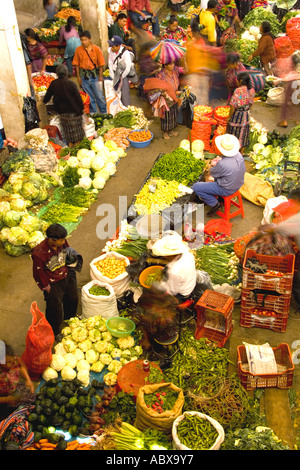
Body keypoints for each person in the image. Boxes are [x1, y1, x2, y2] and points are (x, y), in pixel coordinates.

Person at [31, 223, 82, 336]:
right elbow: (38, 273)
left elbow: (68, 252)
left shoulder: (62, 244)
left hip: (67, 275)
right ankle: (55, 331)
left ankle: (70, 319)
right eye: (61, 240)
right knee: (55, 309)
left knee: (72, 298)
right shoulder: (39, 253)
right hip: (53, 283)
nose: (63, 242)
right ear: (52, 240)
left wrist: (71, 270)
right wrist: (47, 288)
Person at [192, 133, 246, 215]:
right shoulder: (239, 155)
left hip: (226, 189)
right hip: (238, 184)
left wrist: (213, 165)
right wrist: (220, 160)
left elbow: (213, 173)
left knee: (196, 187)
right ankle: (220, 199)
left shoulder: (223, 164)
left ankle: (215, 204)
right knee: (221, 177)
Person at [43, 64, 85, 146]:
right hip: (74, 111)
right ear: (66, 73)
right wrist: (81, 109)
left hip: (63, 113)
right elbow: (78, 98)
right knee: (77, 133)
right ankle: (78, 147)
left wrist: (43, 101)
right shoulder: (71, 83)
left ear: (57, 74)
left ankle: (71, 148)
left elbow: (47, 96)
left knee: (68, 133)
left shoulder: (54, 84)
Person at [150, 231, 197, 301]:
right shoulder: (187, 254)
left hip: (183, 292)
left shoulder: (174, 271)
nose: (163, 257)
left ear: (170, 256)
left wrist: (158, 284)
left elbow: (172, 290)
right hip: (190, 282)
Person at [144, 61, 182, 139]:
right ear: (165, 65)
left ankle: (171, 130)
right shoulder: (161, 74)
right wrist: (165, 93)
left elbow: (185, 70)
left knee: (174, 113)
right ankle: (165, 132)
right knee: (166, 115)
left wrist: (184, 60)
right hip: (166, 97)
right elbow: (158, 86)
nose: (173, 65)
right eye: (170, 64)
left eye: (173, 63)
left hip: (175, 95)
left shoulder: (175, 70)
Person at [72, 30, 107, 114]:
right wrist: (79, 77)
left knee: (99, 96)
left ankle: (104, 113)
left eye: (85, 40)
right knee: (89, 97)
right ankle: (93, 114)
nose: (83, 42)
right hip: (84, 77)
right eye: (82, 40)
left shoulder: (96, 49)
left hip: (95, 76)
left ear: (90, 39)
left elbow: (101, 64)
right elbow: (76, 64)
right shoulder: (78, 50)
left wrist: (100, 76)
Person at [0, 343, 35, 421]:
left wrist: (28, 379)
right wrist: (7, 399)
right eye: (4, 363)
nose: (8, 365)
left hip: (12, 389)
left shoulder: (14, 358)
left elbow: (20, 367)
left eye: (10, 361)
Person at [226, 71, 255, 150]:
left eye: (237, 80)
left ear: (241, 81)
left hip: (237, 115)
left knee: (234, 131)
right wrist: (247, 112)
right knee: (243, 132)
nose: (236, 82)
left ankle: (232, 149)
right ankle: (241, 151)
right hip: (246, 114)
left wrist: (229, 117)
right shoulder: (251, 90)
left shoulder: (238, 90)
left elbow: (233, 105)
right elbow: (251, 104)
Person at [108, 35, 138, 107]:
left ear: (118, 46)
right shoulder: (111, 52)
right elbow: (110, 64)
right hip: (115, 74)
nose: (112, 47)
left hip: (123, 75)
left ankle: (126, 108)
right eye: (111, 46)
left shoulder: (125, 53)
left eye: (113, 46)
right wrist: (113, 77)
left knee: (124, 94)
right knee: (116, 94)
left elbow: (127, 68)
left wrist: (120, 77)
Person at [275, 51, 300, 128]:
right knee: (297, 100)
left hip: (293, 81)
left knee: (287, 101)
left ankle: (283, 121)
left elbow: (290, 73)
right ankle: (298, 120)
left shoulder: (294, 56)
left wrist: (279, 80)